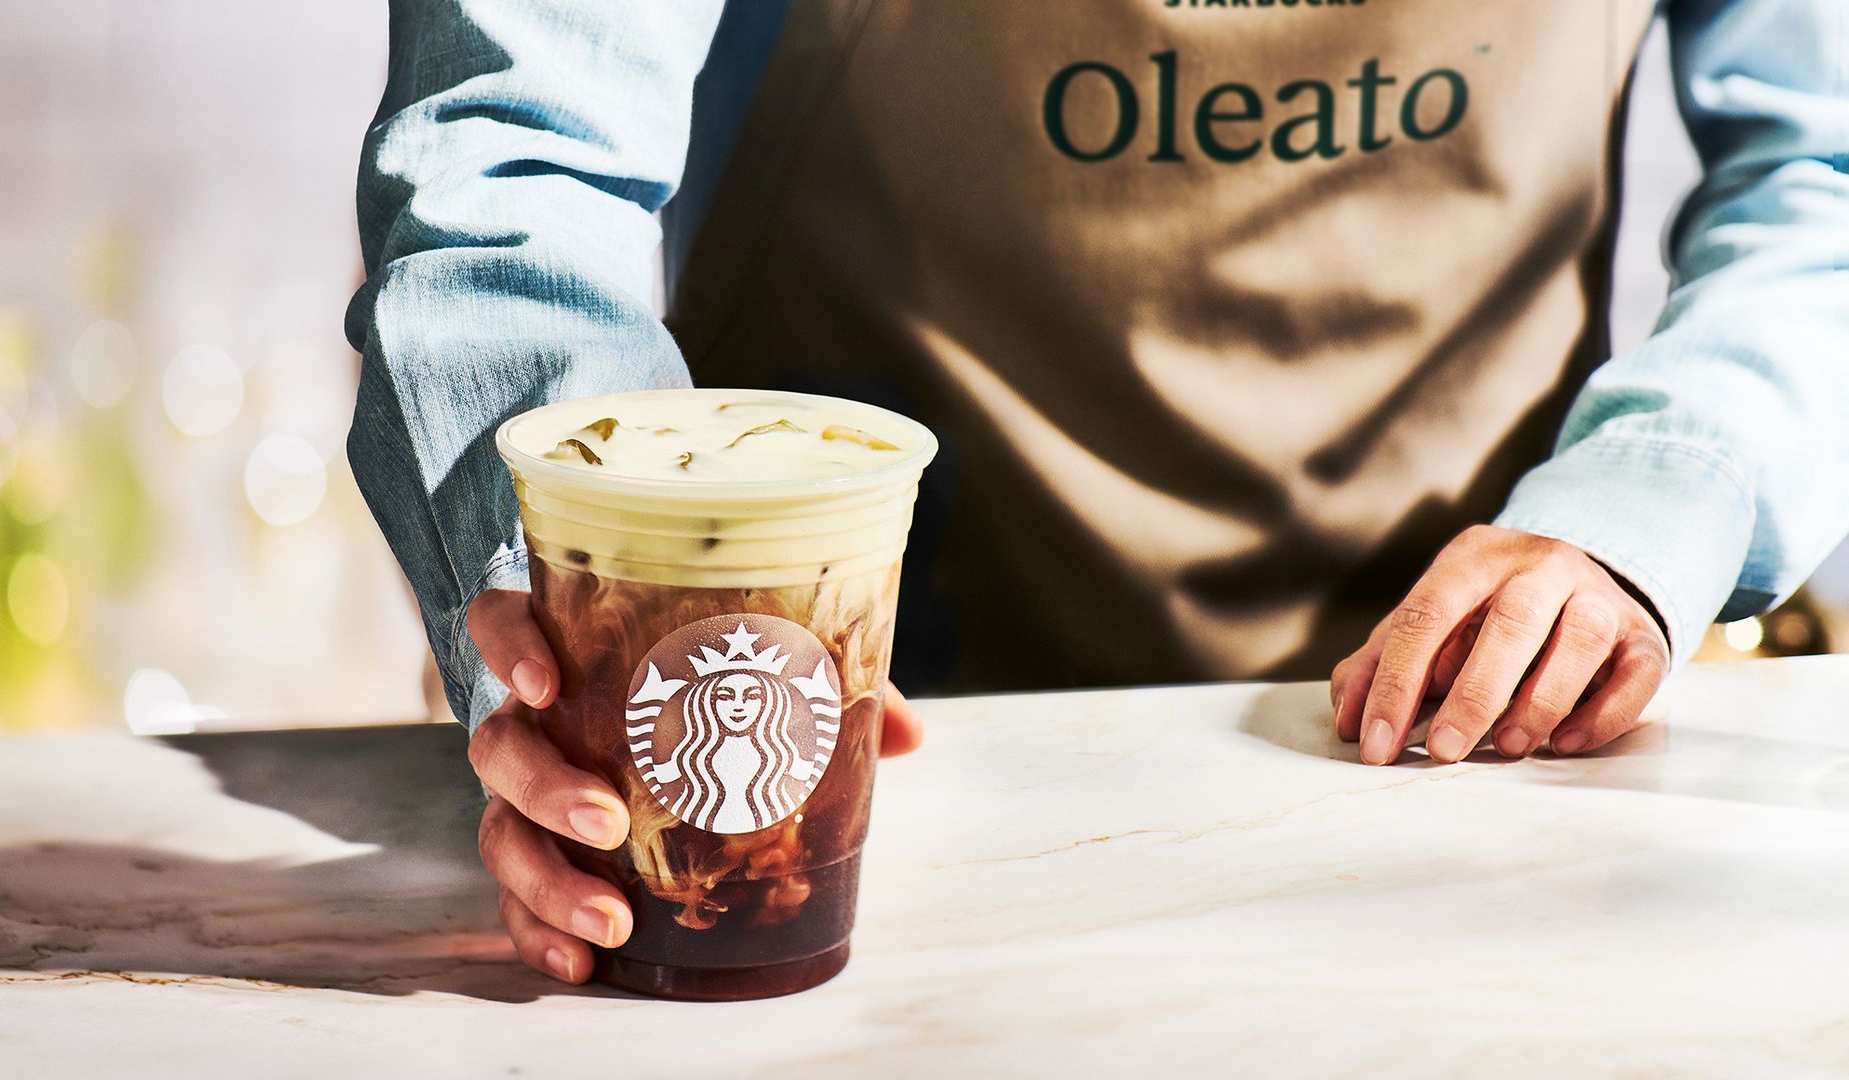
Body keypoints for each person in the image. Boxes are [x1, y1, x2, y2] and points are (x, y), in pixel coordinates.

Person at [345, 0, 1849, 983]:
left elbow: (1824, 165)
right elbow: (512, 166)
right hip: (862, 788)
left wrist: (1663, 497)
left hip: (1488, 788)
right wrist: (594, 615)